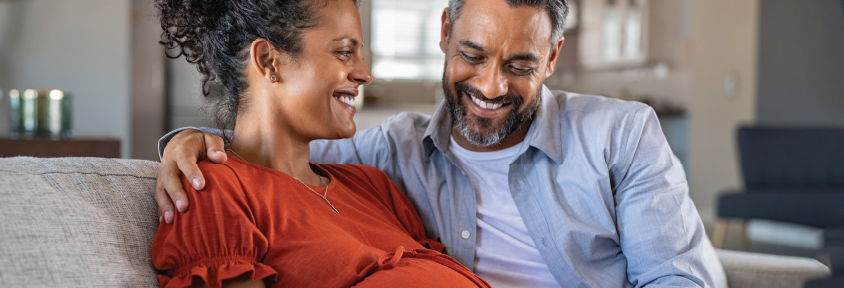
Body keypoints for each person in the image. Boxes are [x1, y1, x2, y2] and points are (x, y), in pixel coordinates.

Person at [156, 0, 726, 287]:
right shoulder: (387, 154)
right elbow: (260, 154)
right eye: (473, 56)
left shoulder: (619, 135)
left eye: (521, 64)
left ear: (553, 58)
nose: (491, 86)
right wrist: (187, 141)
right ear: (445, 32)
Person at [150, 0, 491, 287]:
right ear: (269, 60)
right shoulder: (215, 190)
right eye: (344, 52)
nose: (364, 73)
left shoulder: (372, 186)